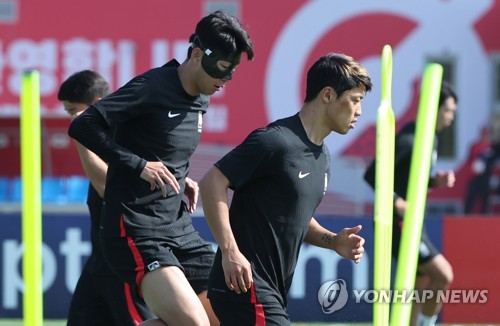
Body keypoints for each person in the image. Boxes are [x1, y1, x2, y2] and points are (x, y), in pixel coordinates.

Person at [68, 10, 254, 326]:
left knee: (234, 310)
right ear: (197, 55)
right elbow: (84, 124)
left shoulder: (203, 98)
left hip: (178, 229)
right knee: (195, 323)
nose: (225, 80)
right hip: (135, 229)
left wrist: (183, 180)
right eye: (222, 69)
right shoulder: (152, 86)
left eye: (232, 72)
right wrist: (137, 164)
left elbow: (161, 147)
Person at [198, 53, 371, 325]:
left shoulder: (322, 157)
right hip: (246, 286)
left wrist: (333, 241)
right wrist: (230, 253)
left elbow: (295, 216)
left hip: (272, 291)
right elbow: (211, 183)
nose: (359, 112)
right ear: (327, 95)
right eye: (355, 100)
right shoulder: (275, 141)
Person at [58, 70, 157, 325]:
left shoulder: (125, 137)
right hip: (98, 264)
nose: (72, 119)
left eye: (74, 112)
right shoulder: (99, 139)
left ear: (98, 104)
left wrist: (81, 136)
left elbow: (107, 188)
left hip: (123, 266)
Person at [364, 81, 457, 326]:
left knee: (421, 285)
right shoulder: (410, 139)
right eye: (449, 110)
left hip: (413, 222)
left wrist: (435, 180)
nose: (451, 117)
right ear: (434, 108)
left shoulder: (431, 140)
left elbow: (411, 177)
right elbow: (372, 174)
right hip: (398, 223)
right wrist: (396, 202)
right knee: (443, 275)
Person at [464, 125, 495, 214]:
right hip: (474, 176)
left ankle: (485, 216)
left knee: (485, 197)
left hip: (486, 177)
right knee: (471, 196)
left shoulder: (491, 147)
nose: (485, 136)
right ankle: (467, 215)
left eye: (487, 134)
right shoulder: (475, 146)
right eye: (483, 134)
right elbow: (470, 160)